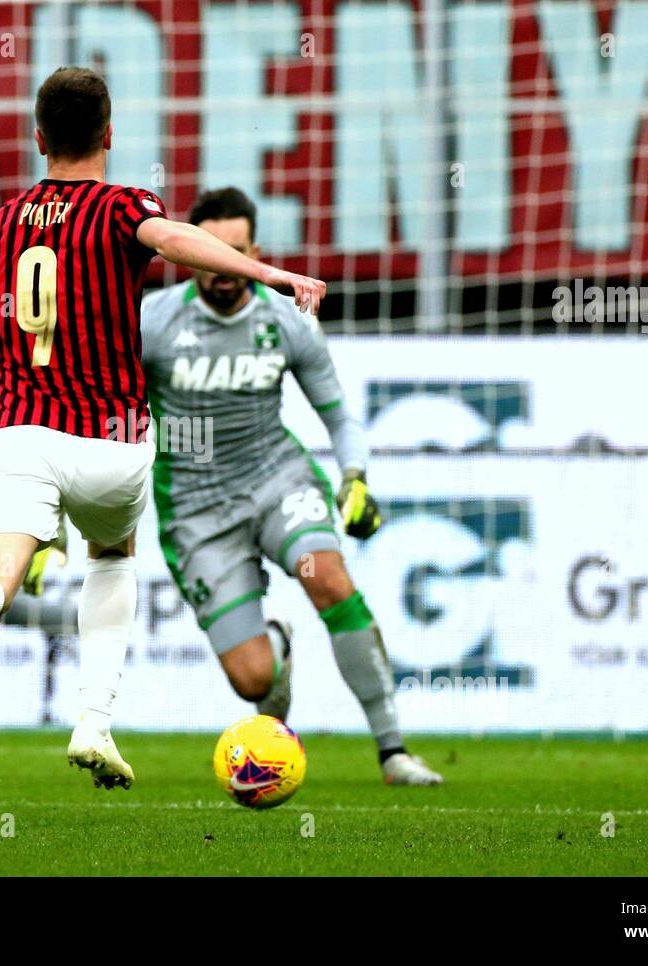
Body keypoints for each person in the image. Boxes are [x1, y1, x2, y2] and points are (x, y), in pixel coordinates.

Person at [0, 70, 326, 793]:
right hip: (110, 441)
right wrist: (270, 274)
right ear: (110, 135)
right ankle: (93, 720)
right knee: (112, 556)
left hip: (17, 431)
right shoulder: (124, 206)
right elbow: (176, 240)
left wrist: (40, 319)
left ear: (38, 139)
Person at [139, 187, 442, 785]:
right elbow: (101, 411)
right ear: (191, 254)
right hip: (197, 510)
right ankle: (273, 643)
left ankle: (393, 751)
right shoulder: (152, 322)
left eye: (239, 249)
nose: (227, 267)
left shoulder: (285, 321)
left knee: (326, 577)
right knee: (254, 680)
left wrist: (355, 478)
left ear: (256, 250)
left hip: (277, 480)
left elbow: (340, 416)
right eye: (213, 251)